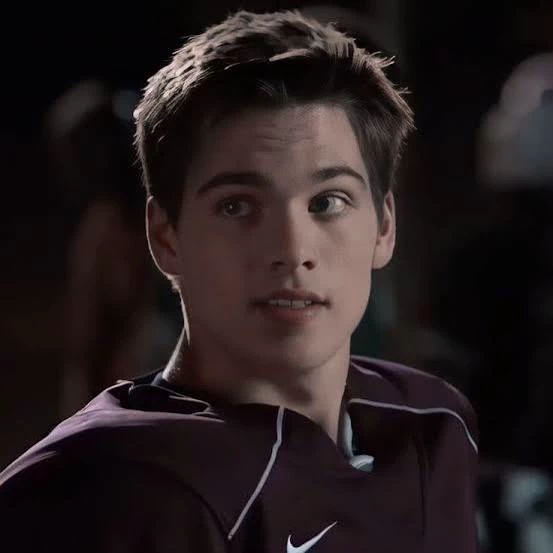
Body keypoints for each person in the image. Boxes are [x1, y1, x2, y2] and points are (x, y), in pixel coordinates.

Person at [0, 10, 479, 552]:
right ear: (165, 236)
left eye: (328, 201)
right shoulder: (107, 490)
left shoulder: (433, 426)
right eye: (237, 206)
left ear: (384, 226)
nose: (292, 251)